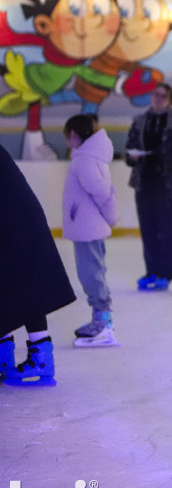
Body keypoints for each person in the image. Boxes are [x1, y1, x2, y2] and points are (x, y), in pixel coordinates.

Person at [0, 144, 76, 386]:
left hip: (16, 228)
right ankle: (5, 357)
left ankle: (40, 359)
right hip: (16, 225)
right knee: (14, 286)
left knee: (27, 288)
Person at [61, 114, 120, 347]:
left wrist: (110, 216)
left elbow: (101, 192)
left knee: (90, 273)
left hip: (88, 228)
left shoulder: (84, 160)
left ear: (74, 134)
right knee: (93, 270)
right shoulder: (90, 157)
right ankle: (101, 319)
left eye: (67, 135)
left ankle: (103, 323)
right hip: (87, 226)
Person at [125, 83, 172, 292]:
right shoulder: (139, 121)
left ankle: (166, 273)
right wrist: (132, 156)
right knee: (148, 229)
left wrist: (166, 159)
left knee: (167, 229)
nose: (159, 98)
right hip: (144, 182)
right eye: (156, 94)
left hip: (167, 183)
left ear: (170, 100)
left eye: (164, 96)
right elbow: (129, 150)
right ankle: (151, 270)